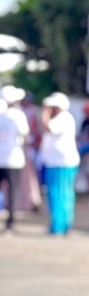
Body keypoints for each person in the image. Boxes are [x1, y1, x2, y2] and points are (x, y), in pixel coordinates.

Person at [39, 92, 80, 235]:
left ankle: (59, 225)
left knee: (59, 193)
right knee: (59, 193)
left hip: (61, 163)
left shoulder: (63, 118)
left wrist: (44, 115)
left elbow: (49, 128)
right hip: (56, 162)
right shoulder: (60, 118)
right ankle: (61, 224)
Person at [0, 85, 30, 231]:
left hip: (2, 158)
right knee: (12, 192)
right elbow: (24, 133)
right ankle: (10, 223)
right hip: (14, 160)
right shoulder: (18, 115)